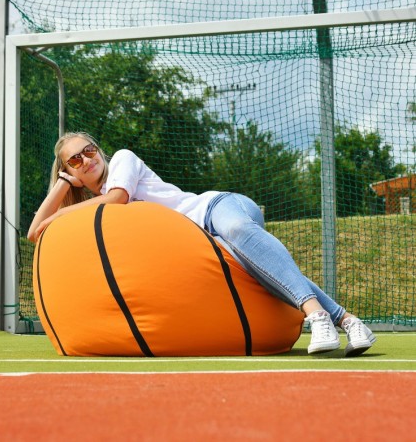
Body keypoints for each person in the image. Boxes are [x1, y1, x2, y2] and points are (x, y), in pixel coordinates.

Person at [28, 131, 376, 357]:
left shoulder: (122, 160)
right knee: (256, 269)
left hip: (215, 209)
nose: (87, 160)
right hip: (204, 245)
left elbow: (117, 198)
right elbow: (34, 233)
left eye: (89, 151)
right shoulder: (88, 204)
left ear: (99, 150)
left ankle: (315, 316)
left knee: (239, 231)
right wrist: (61, 186)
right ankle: (348, 322)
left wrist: (57, 213)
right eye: (75, 160)